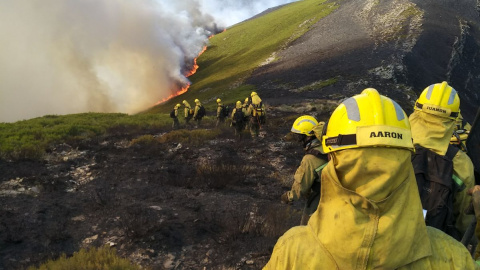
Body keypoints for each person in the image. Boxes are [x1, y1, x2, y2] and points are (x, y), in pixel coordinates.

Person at [263, 88, 478, 269]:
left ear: (332, 157)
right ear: (406, 157)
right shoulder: (453, 257)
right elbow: (463, 220)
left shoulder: (291, 252)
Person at [409, 81, 475, 239]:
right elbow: (464, 220)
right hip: (433, 243)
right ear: (453, 121)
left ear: (417, 109)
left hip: (388, 238)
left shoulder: (396, 146)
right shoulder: (461, 163)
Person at [281, 115, 328, 225]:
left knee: (306, 228)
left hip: (320, 198)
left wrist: (288, 197)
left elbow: (301, 187)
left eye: (300, 137)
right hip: (338, 195)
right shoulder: (327, 146)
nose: (298, 140)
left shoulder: (310, 160)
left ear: (308, 137)